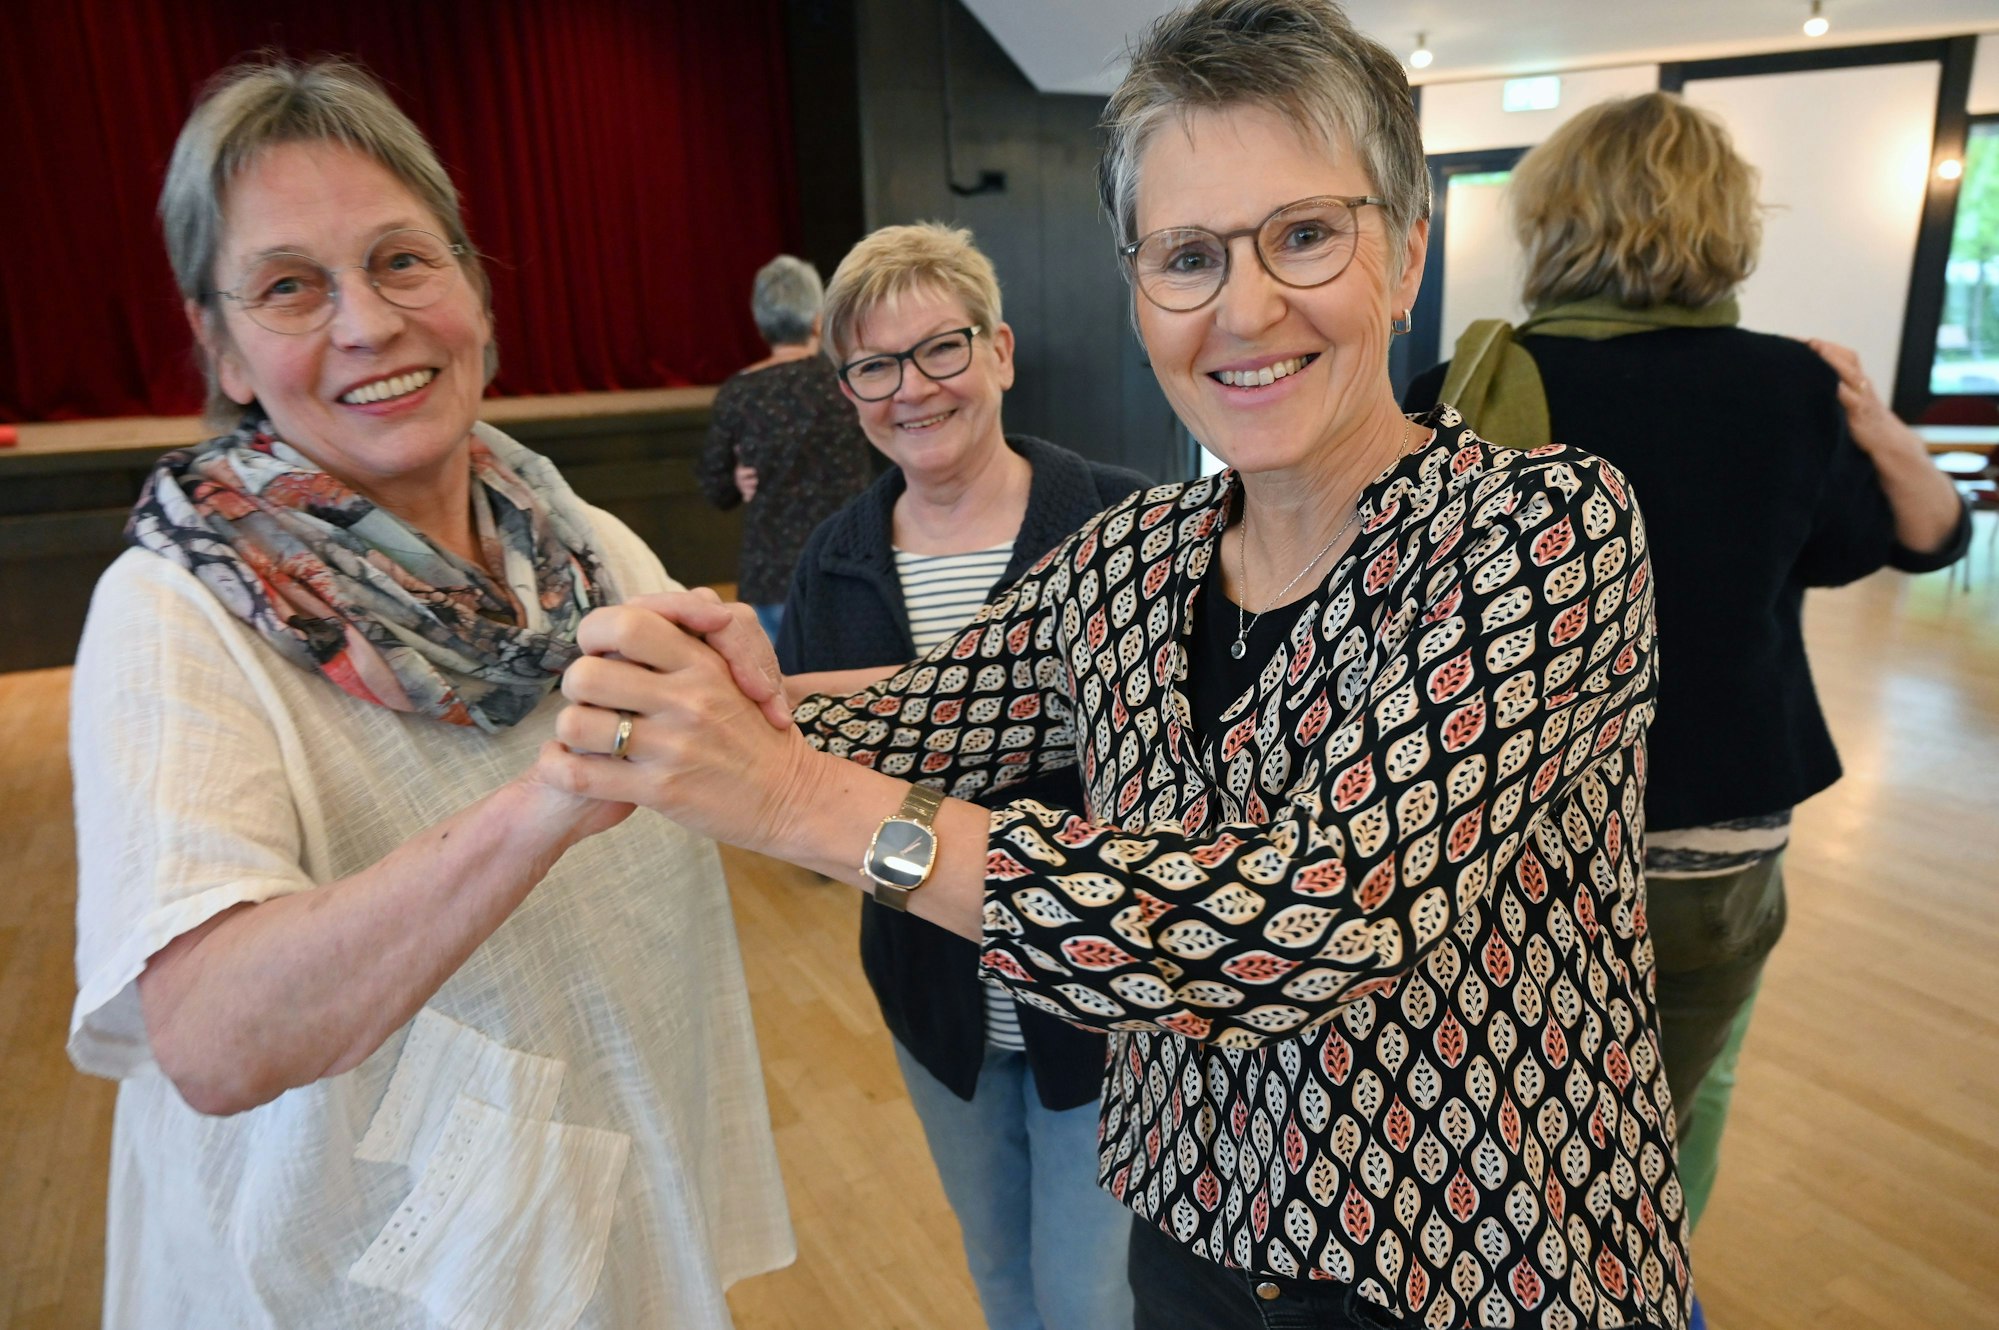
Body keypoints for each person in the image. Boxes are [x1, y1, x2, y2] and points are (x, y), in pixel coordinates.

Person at [547, 3, 1689, 1325]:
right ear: (1138, 291)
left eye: (1304, 235)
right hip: (1195, 1231)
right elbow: (933, 711)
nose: (1243, 307)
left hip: (1479, 1257)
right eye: (1187, 256)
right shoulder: (1136, 550)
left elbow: (1313, 914)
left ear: (1406, 248)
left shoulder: (1538, 526)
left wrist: (795, 799)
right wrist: (741, 700)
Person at [66, 59, 791, 1328]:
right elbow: (214, 1035)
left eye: (403, 261)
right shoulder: (173, 615)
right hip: (349, 1273)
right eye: (292, 286)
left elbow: (727, 753)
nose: (366, 322)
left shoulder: (580, 543)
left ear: (475, 293)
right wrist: (552, 794)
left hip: (602, 1200)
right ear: (220, 344)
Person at [1402, 91, 1971, 1232]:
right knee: (1683, 1093)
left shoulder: (1462, 392)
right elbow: (1925, 536)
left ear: (1550, 220)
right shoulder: (1789, 389)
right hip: (1716, 837)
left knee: (1505, 1107)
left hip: (1520, 828)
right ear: (1724, 223)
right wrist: (1874, 415)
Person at [775, 221, 1150, 1330]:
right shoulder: (834, 561)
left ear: (1001, 351)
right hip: (935, 997)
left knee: (1091, 1298)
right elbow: (817, 783)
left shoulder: (1124, 524)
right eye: (877, 366)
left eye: (942, 349)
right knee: (1000, 1280)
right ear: (848, 389)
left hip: (1102, 1002)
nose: (914, 390)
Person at [697, 254, 872, 643]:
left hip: (770, 577)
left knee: (779, 694)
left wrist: (736, 478)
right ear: (817, 320)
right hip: (850, 566)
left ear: (762, 325)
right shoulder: (850, 383)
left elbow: (716, 489)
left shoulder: (739, 393)